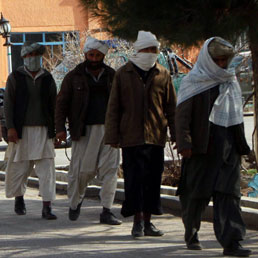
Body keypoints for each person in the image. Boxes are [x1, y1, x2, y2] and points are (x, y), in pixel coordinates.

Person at [176, 37, 252, 257]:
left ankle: (232, 242)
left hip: (229, 148)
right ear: (208, 60)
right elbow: (182, 118)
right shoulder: (194, 82)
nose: (221, 65)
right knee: (196, 195)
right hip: (202, 149)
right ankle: (191, 231)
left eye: (224, 61)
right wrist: (185, 144)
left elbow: (236, 114)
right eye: (216, 60)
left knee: (230, 195)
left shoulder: (230, 80)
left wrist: (241, 147)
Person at [105, 30, 177, 237]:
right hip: (130, 137)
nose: (150, 53)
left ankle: (149, 221)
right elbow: (114, 108)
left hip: (155, 136)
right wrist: (112, 136)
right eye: (146, 50)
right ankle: (136, 221)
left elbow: (171, 108)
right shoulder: (123, 73)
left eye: (153, 50)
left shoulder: (162, 74)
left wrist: (177, 135)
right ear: (138, 51)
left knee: (152, 180)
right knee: (134, 181)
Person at [55, 36, 121, 225]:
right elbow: (61, 104)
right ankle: (75, 202)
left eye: (97, 55)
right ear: (85, 55)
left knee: (110, 171)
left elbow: (123, 103)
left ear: (103, 56)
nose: (93, 58)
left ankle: (107, 210)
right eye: (91, 55)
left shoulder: (112, 76)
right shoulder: (73, 77)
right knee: (82, 172)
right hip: (83, 131)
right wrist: (60, 129)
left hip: (110, 131)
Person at [4, 41, 57, 220]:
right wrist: (10, 127)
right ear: (24, 57)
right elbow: (8, 105)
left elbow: (54, 105)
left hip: (43, 130)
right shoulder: (15, 77)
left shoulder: (47, 78)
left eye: (37, 54)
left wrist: (58, 129)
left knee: (47, 169)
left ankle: (47, 207)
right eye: (30, 55)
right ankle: (19, 199)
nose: (34, 58)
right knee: (20, 168)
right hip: (21, 131)